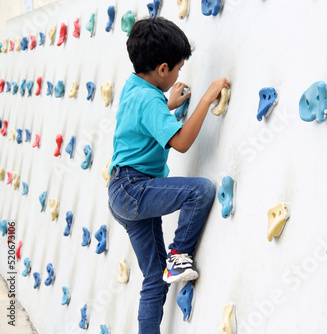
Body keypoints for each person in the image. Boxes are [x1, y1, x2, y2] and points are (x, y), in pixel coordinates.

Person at [107, 17, 230, 333]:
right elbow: (182, 142)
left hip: (123, 193)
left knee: (154, 277)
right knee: (200, 190)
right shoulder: (150, 100)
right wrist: (206, 98)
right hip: (135, 188)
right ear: (162, 69)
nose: (178, 74)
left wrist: (167, 103)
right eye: (176, 69)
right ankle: (179, 255)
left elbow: (144, 119)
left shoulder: (136, 87)